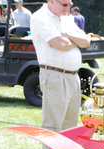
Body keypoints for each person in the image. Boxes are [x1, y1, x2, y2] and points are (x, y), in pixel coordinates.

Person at [30, 0, 91, 133]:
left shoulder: (66, 18)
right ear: (51, 1)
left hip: (73, 76)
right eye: (64, 5)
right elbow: (61, 44)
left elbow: (86, 41)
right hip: (55, 76)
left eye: (69, 4)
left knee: (71, 127)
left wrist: (68, 36)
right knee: (53, 127)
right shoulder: (40, 17)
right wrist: (76, 40)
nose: (68, 8)